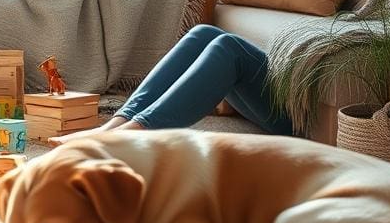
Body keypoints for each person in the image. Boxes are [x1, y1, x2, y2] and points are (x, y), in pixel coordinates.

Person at [54, 24, 293, 143]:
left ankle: (131, 136)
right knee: (204, 33)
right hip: (280, 100)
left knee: (229, 48)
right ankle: (113, 127)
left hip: (298, 117)